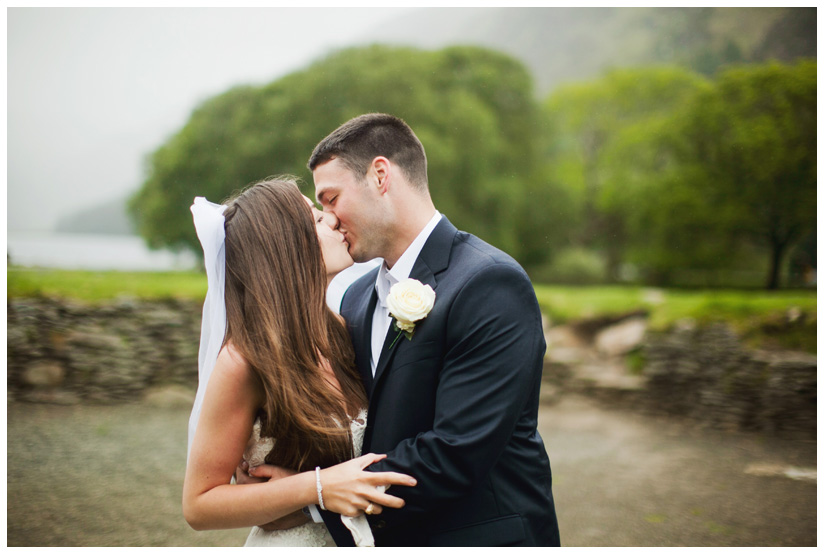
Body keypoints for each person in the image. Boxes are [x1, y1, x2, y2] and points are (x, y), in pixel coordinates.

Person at [305, 113, 561, 546]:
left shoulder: (489, 283)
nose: (327, 219)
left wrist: (313, 497)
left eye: (331, 198)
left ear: (380, 175)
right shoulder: (356, 299)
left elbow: (455, 452)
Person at [182, 178, 416, 547]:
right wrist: (315, 487)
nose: (333, 221)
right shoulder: (244, 361)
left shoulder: (341, 330)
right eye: (315, 219)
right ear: (285, 247)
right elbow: (199, 505)